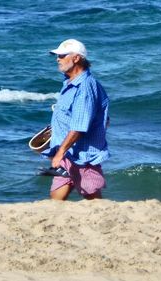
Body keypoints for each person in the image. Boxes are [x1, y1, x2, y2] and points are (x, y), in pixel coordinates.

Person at [42, 39, 110, 200]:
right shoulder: (70, 83)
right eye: (57, 56)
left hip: (82, 157)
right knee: (54, 201)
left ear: (76, 58)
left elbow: (79, 126)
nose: (57, 59)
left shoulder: (85, 87)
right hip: (69, 154)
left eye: (62, 55)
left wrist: (59, 152)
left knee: (94, 202)